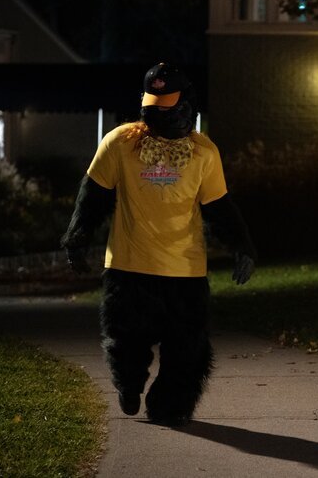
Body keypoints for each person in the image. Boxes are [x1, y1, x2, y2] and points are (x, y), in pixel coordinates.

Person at [61, 62, 256, 426]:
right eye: (155, 107)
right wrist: (77, 237)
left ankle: (168, 406)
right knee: (126, 343)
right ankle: (129, 385)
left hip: (185, 272)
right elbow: (93, 196)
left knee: (188, 351)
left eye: (168, 107)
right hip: (128, 268)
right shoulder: (119, 142)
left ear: (187, 106)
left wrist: (242, 246)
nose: (160, 114)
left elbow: (218, 206)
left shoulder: (204, 152)